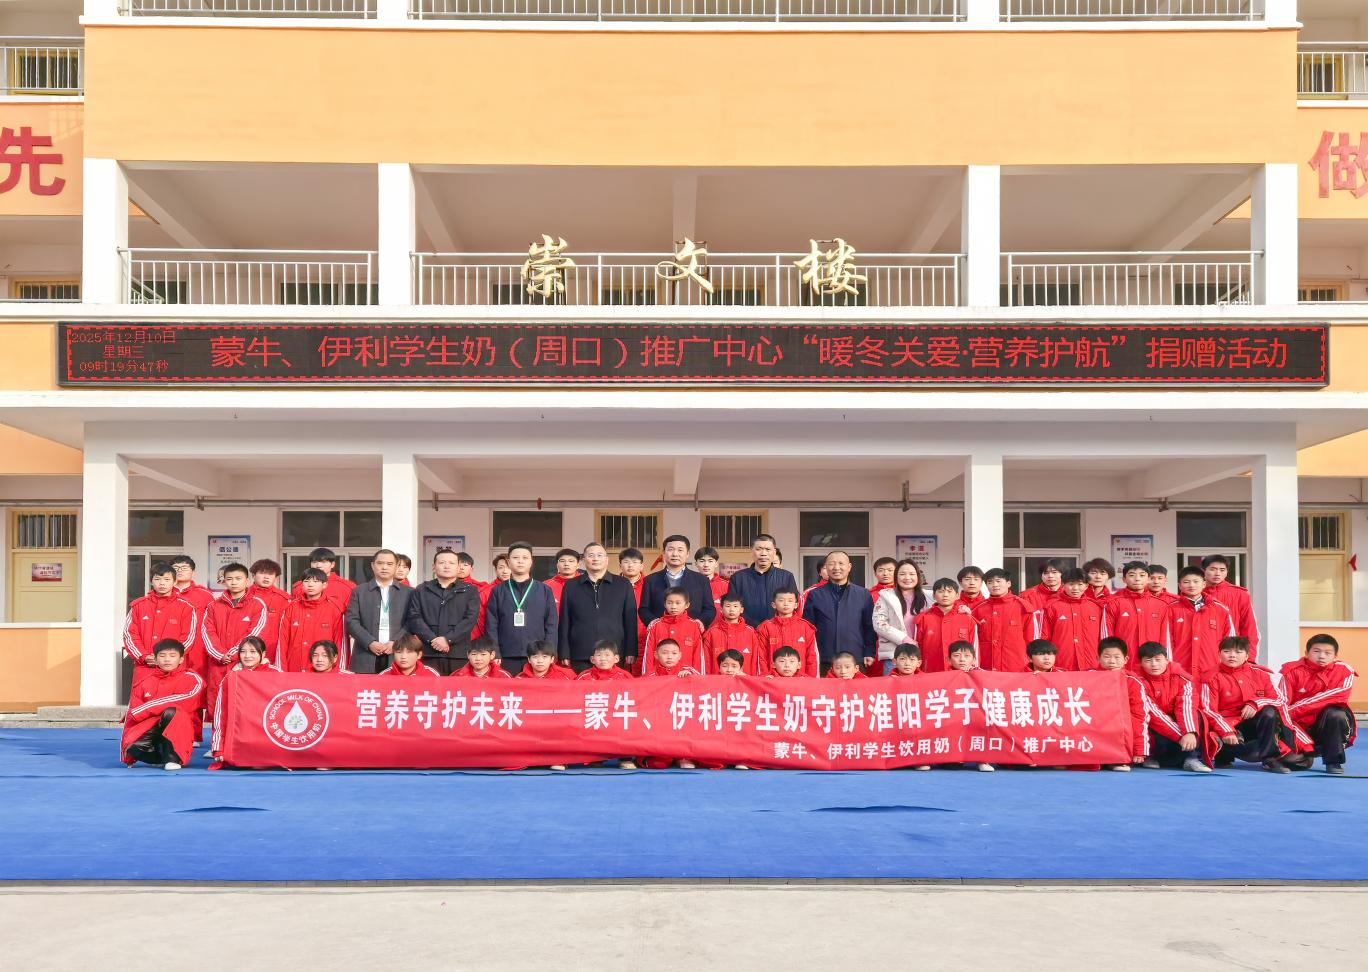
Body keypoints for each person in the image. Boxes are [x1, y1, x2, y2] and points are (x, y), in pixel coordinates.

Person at [1199, 636, 1310, 773]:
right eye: (1227, 651)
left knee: (1270, 712)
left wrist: (1256, 703)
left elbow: (1280, 700)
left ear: (1247, 656)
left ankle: (1269, 759)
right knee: (1242, 746)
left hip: (1255, 726)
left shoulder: (1261, 674)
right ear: (1219, 654)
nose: (1232, 655)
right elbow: (1208, 710)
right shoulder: (1209, 677)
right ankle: (1225, 752)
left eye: (1238, 652)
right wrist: (1226, 731)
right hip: (1228, 727)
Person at [1280, 633, 1357, 775]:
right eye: (1316, 651)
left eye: (1327, 653)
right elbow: (1283, 706)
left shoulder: (1345, 670)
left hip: (1325, 724)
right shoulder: (1290, 671)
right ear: (1306, 653)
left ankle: (1333, 761)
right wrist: (1289, 716)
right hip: (1297, 727)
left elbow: (1338, 696)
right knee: (1293, 761)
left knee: (1336, 713)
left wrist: (1295, 710)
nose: (1321, 656)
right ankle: (1304, 755)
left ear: (1335, 656)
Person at [121, 639, 203, 771]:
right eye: (162, 656)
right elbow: (131, 716)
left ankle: (172, 758)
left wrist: (145, 709)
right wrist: (127, 757)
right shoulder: (145, 682)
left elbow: (181, 701)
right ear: (155, 659)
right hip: (153, 728)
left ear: (181, 659)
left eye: (172, 655)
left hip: (180, 730)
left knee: (172, 712)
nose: (167, 660)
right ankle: (159, 756)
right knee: (131, 747)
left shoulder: (192, 678)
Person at [204, 563, 268, 725]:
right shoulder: (213, 606)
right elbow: (207, 632)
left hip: (244, 663)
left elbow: (254, 633)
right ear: (224, 581)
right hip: (218, 664)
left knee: (245, 706)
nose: (234, 582)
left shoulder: (257, 604)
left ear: (247, 581)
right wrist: (219, 654)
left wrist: (233, 654)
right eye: (229, 579)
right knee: (217, 705)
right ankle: (218, 739)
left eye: (238, 578)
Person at [559, 542, 639, 672]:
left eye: (599, 555)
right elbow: (565, 621)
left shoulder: (623, 585)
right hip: (580, 653)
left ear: (607, 559)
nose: (595, 559)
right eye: (591, 555)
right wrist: (564, 652)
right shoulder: (571, 586)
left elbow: (630, 620)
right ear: (584, 560)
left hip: (614, 654)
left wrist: (631, 650)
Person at [123, 561, 200, 694]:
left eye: (167, 579)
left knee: (173, 703)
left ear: (175, 582)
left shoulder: (186, 607)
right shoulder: (138, 606)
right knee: (142, 701)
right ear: (151, 581)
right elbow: (130, 635)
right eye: (158, 579)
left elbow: (188, 637)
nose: (162, 583)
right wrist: (144, 656)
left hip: (174, 669)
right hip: (145, 668)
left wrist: (170, 658)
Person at [1134, 641, 1210, 773]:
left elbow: (1186, 707)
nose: (1154, 664)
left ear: (1167, 660)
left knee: (1197, 715)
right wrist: (1180, 736)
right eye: (1148, 660)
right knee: (1142, 720)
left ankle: (1191, 759)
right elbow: (1153, 713)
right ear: (1140, 663)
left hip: (1176, 724)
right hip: (1155, 726)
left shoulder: (1183, 678)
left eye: (1158, 659)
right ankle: (1149, 756)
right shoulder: (1136, 681)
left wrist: (1190, 732)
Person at [485, 541, 558, 676]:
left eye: (525, 558)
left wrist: (548, 653)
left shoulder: (544, 590)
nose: (520, 561)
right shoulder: (498, 590)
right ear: (508, 561)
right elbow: (491, 624)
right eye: (515, 558)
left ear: (531, 562)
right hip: (506, 655)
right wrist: (495, 652)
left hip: (537, 656)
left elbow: (551, 624)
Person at [404, 548, 479, 675]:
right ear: (434, 567)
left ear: (458, 567)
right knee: (429, 686)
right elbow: (414, 617)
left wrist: (447, 639)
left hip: (458, 653)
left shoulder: (470, 590)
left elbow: (470, 619)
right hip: (429, 652)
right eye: (442, 562)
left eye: (451, 563)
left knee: (457, 686)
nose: (446, 566)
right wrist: (432, 639)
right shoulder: (422, 589)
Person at [803, 551, 875, 675]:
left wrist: (869, 651)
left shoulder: (863, 594)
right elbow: (808, 627)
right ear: (826, 567)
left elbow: (869, 626)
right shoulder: (815, 594)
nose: (836, 567)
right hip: (824, 658)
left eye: (841, 563)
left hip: (854, 658)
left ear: (849, 567)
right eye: (831, 564)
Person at [208, 636, 276, 764]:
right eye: (243, 652)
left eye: (253, 652)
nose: (247, 656)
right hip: (241, 737)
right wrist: (218, 749)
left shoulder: (276, 674)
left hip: (269, 735)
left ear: (263, 654)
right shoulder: (231, 677)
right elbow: (220, 714)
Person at [346, 548, 414, 675]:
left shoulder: (409, 593)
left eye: (389, 564)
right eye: (380, 563)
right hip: (365, 653)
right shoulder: (359, 591)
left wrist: (396, 642)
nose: (384, 567)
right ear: (372, 565)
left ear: (396, 566)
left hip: (397, 652)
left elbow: (412, 621)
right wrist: (369, 642)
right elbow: (351, 621)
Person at [1163, 566, 1236, 684]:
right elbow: (1166, 642)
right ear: (1180, 586)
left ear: (1204, 584)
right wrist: (1171, 667)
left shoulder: (1220, 609)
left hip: (1212, 670)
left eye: (1196, 581)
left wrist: (1226, 667)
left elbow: (1230, 641)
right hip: (1180, 670)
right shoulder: (1170, 609)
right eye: (1186, 582)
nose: (1191, 585)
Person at [278, 568, 348, 673]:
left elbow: (341, 644)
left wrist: (336, 674)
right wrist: (281, 672)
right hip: (294, 670)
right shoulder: (290, 607)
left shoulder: (335, 608)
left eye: (315, 581)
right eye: (306, 581)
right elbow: (282, 643)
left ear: (324, 585)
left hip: (324, 673)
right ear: (302, 585)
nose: (310, 585)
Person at [640, 535, 717, 630]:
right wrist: (653, 622)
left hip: (691, 632)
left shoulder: (701, 580)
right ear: (663, 552)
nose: (675, 554)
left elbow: (709, 609)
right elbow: (644, 609)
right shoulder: (650, 580)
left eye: (680, 550)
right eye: (670, 549)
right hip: (660, 632)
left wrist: (700, 622)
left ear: (688, 553)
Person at [972, 567, 1039, 673]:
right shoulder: (978, 609)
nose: (994, 585)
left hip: (1016, 666)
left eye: (998, 581)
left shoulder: (1023, 607)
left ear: (1008, 583)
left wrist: (1033, 665)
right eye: (990, 582)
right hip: (985, 667)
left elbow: (1033, 640)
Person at [1096, 638, 1147, 771]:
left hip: (1119, 729)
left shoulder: (1132, 682)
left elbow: (1139, 716)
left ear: (1125, 659)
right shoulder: (1087, 677)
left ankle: (1116, 759)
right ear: (1098, 658)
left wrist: (1139, 749)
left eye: (1117, 657)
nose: (1112, 661)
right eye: (1107, 657)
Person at [871, 559, 929, 676]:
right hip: (895, 655)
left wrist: (963, 608)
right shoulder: (886, 596)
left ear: (918, 576)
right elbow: (879, 623)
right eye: (902, 574)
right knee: (894, 687)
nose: (907, 578)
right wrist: (904, 639)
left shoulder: (929, 597)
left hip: (922, 654)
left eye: (911, 574)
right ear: (896, 577)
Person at [726, 534, 797, 629]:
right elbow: (733, 606)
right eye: (759, 549)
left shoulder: (786, 577)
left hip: (779, 629)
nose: (763, 553)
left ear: (774, 552)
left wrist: (772, 626)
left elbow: (792, 607)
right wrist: (755, 626)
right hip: (747, 630)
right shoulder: (738, 578)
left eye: (768, 549)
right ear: (751, 551)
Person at [1040, 567, 1104, 672]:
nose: (1075, 588)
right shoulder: (1051, 607)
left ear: (1086, 586)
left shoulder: (1096, 607)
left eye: (1080, 584)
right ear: (1063, 584)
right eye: (1071, 584)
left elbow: (1103, 638)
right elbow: (1044, 638)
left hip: (1091, 665)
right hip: (1061, 665)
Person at [1105, 561, 1168, 664]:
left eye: (1142, 575)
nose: (1137, 579)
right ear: (1124, 579)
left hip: (1151, 662)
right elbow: (1107, 636)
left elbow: (1165, 637)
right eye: (1132, 575)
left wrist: (1163, 662)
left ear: (1148, 579)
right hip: (1123, 662)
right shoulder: (1113, 603)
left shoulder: (1161, 605)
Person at [946, 641, 994, 772]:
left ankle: (982, 760)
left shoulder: (982, 673)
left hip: (977, 713)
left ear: (974, 659)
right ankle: (955, 757)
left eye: (967, 656)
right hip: (955, 715)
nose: (962, 659)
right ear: (949, 660)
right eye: (957, 656)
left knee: (982, 727)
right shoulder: (944, 676)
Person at [913, 578, 977, 674]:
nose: (945, 595)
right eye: (941, 591)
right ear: (934, 595)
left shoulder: (967, 619)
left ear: (957, 595)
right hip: (931, 671)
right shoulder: (923, 619)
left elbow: (974, 647)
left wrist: (973, 670)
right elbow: (916, 648)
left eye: (949, 591)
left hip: (961, 673)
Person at [1201, 555, 1259, 657]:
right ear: (1204, 571)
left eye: (1222, 570)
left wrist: (1250, 657)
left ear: (1227, 572)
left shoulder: (1240, 594)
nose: (1217, 573)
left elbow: (1250, 627)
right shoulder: (1196, 593)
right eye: (1213, 569)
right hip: (1203, 652)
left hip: (1231, 652)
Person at [642, 588, 708, 675]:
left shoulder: (693, 626)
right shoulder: (656, 626)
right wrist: (647, 677)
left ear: (687, 605)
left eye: (678, 603)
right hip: (659, 676)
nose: (673, 607)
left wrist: (697, 676)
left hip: (685, 676)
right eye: (669, 603)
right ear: (665, 604)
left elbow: (698, 655)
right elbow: (648, 654)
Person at [757, 587, 819, 676]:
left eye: (790, 601)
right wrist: (764, 677)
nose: (786, 604)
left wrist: (811, 679)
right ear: (774, 604)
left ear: (796, 605)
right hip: (772, 679)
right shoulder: (765, 627)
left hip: (801, 679)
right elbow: (761, 656)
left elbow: (812, 657)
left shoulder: (806, 627)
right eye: (781, 600)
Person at [702, 592, 763, 675]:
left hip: (744, 681)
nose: (731, 609)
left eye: (735, 606)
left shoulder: (751, 633)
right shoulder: (711, 633)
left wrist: (751, 680)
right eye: (728, 606)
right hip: (717, 681)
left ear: (742, 609)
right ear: (721, 609)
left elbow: (756, 661)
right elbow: (706, 662)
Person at [249, 559, 291, 666]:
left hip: (273, 650)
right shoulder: (244, 595)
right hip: (246, 649)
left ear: (276, 578)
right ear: (253, 575)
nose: (266, 577)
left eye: (271, 574)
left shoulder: (284, 599)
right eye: (262, 573)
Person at [290, 547, 356, 612]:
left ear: (332, 564)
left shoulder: (347, 587)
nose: (318, 565)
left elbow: (351, 614)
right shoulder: (299, 586)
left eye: (323, 562)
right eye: (314, 562)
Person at [618, 547, 649, 661]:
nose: (630, 565)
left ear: (641, 566)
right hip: (620, 638)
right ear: (620, 565)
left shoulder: (649, 584)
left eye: (635, 562)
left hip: (645, 636)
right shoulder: (612, 586)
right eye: (626, 562)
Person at [693, 546, 729, 616]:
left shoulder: (726, 585)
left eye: (710, 561)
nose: (706, 565)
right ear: (696, 564)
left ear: (716, 564)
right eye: (702, 561)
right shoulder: (689, 583)